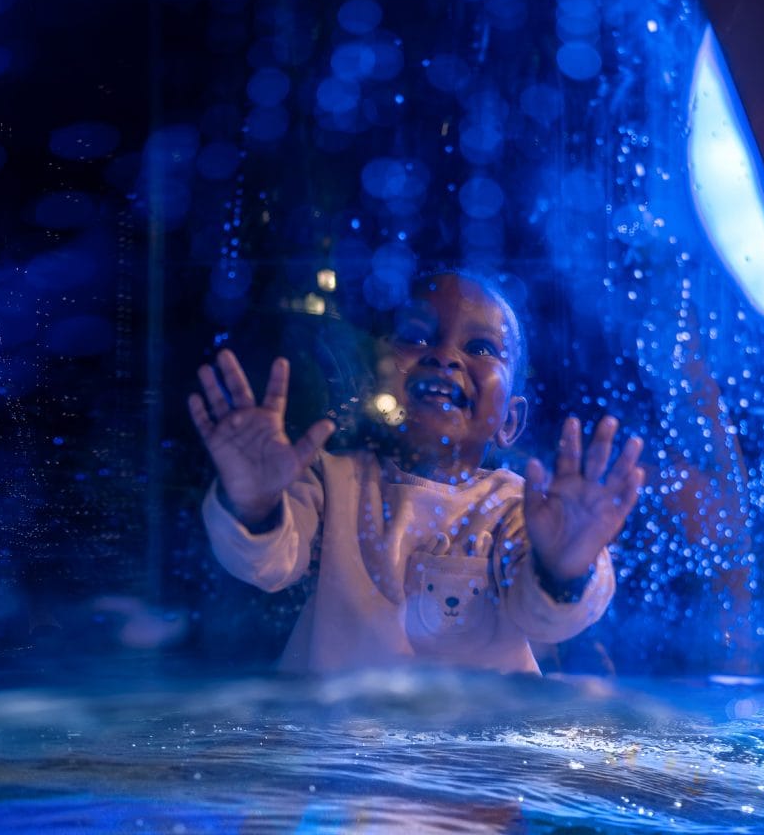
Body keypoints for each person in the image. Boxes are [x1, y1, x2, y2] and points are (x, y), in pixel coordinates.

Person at [188, 272, 645, 673]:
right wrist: (255, 504)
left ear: (510, 420)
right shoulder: (334, 481)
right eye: (418, 338)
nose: (444, 356)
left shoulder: (516, 508)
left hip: (474, 759)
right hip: (335, 745)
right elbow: (267, 564)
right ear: (378, 380)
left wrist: (565, 567)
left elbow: (546, 619)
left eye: (481, 347)